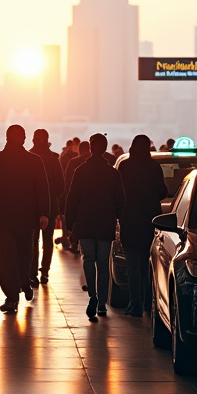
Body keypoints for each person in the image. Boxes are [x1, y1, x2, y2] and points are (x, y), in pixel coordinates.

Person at [0, 125, 51, 313]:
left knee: (6, 257)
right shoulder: (34, 160)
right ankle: (24, 282)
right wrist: (44, 213)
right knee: (24, 253)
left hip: (3, 217)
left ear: (6, 138)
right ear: (24, 139)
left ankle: (12, 297)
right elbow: (42, 189)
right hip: (27, 217)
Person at [65, 133, 125, 321]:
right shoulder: (113, 173)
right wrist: (115, 216)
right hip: (105, 224)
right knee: (103, 263)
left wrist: (69, 226)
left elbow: (72, 199)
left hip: (85, 223)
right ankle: (101, 305)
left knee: (88, 259)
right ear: (105, 148)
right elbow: (121, 201)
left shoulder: (81, 171)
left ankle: (92, 296)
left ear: (90, 148)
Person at [117, 134, 166, 317]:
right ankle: (148, 302)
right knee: (147, 263)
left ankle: (134, 302)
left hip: (129, 219)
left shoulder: (125, 166)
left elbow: (119, 192)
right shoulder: (154, 167)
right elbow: (162, 191)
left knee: (132, 264)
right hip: (149, 220)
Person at [29, 128, 64, 286]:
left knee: (32, 240)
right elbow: (61, 186)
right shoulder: (53, 159)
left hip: (31, 206)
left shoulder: (28, 157)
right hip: (50, 206)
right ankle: (45, 272)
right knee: (47, 240)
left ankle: (32, 273)